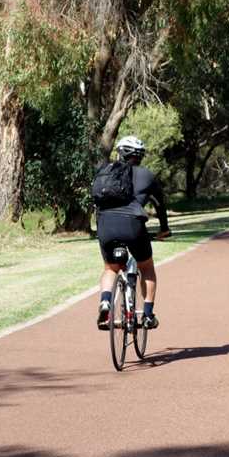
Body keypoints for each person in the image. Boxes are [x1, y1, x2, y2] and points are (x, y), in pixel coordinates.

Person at [95, 136, 170, 331]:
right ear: (140, 156)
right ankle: (147, 314)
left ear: (119, 152)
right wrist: (164, 228)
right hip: (133, 225)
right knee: (146, 267)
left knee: (111, 268)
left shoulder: (105, 172)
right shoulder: (146, 175)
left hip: (105, 225)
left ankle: (105, 302)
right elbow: (160, 204)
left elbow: (96, 201)